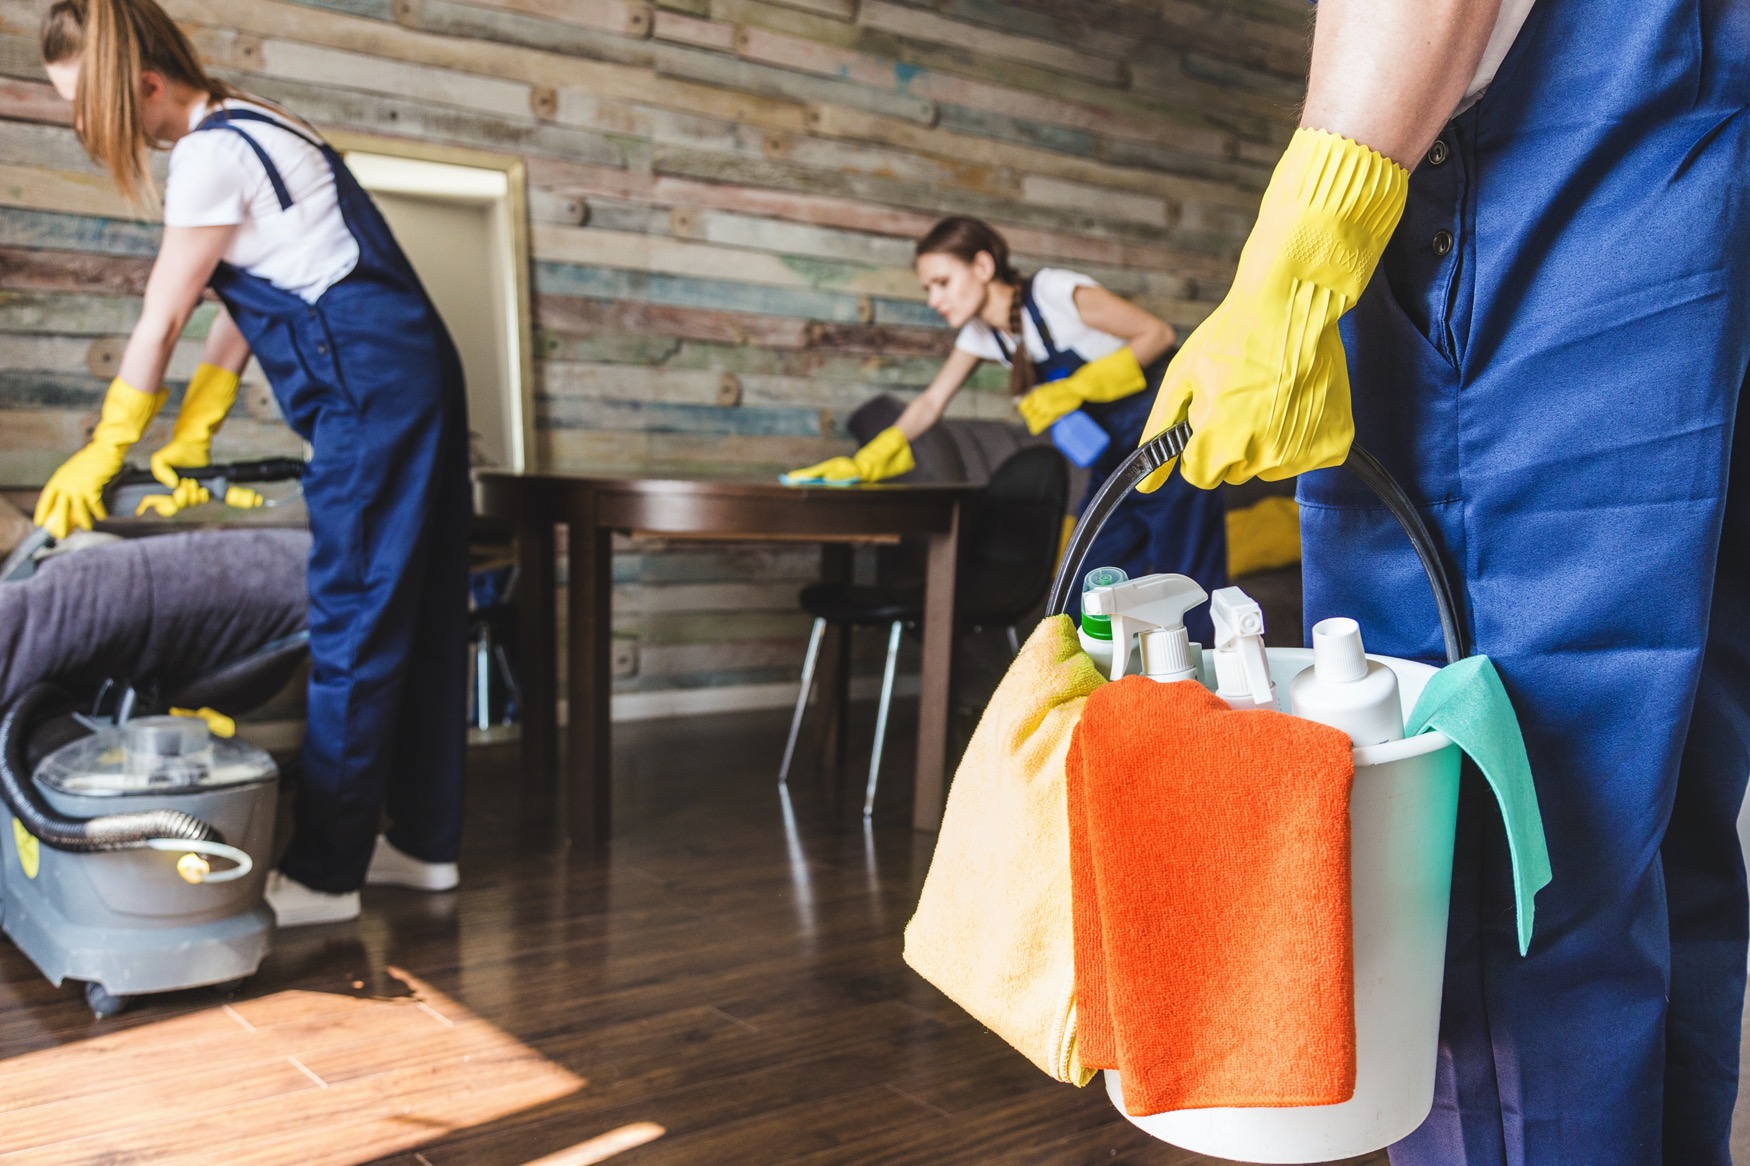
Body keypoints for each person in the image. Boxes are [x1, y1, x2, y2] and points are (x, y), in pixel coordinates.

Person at [1140, 0, 1750, 1161]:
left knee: (1488, 862)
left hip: (1565, 198)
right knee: (1651, 834)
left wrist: (1302, 245)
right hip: (1704, 202)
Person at [35, 0, 473, 927]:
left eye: (87, 107)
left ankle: (324, 875)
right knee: (426, 611)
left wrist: (109, 448)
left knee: (352, 622)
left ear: (142, 86)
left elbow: (162, 316)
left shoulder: (206, 155)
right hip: (415, 377)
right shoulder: (253, 121)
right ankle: (426, 845)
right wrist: (199, 421)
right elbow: (251, 291)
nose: (86, 128)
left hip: (370, 399)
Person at [787, 217, 1228, 632]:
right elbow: (930, 402)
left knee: (1188, 579)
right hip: (1114, 460)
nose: (934, 299)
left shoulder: (1053, 292)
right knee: (1085, 587)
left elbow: (1157, 334)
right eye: (927, 288)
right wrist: (866, 461)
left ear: (982, 265)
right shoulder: (984, 335)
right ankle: (1087, 702)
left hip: (1165, 443)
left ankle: (1213, 704)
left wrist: (1077, 387)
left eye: (942, 282)